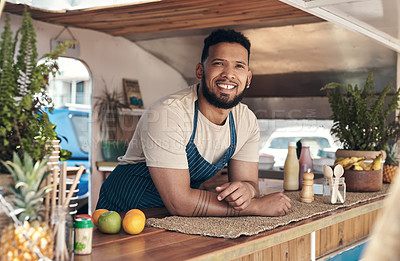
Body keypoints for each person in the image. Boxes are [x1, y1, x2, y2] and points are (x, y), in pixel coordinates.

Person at [96, 29, 291, 217]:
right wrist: (256, 207)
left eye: (238, 66)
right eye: (218, 63)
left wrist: (247, 190)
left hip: (175, 218)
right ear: (200, 71)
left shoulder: (246, 121)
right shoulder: (168, 114)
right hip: (121, 214)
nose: (229, 74)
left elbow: (248, 183)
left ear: (248, 78)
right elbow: (179, 201)